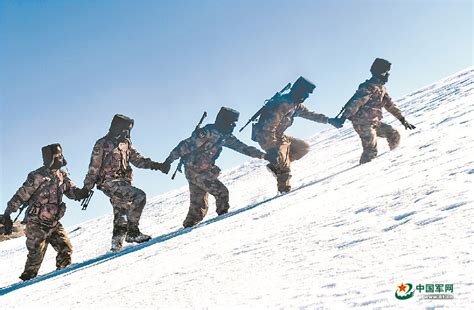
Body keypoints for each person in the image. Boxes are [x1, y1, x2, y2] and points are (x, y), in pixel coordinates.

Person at [160, 107, 266, 228]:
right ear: (223, 120)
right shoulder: (207, 133)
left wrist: (264, 155)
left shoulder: (226, 137)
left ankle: (187, 228)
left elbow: (243, 148)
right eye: (232, 122)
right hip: (194, 170)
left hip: (200, 170)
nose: (233, 125)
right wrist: (168, 161)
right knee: (222, 193)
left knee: (198, 209)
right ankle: (223, 224)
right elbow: (184, 146)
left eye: (235, 123)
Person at [0, 144, 89, 281]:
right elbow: (20, 196)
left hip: (53, 222)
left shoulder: (62, 175)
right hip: (36, 223)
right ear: (49, 158)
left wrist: (81, 193)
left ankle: (60, 279)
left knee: (66, 249)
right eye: (57, 155)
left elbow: (71, 191)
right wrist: (7, 214)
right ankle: (24, 286)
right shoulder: (37, 176)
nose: (60, 157)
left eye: (61, 155)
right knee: (35, 259)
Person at [80, 114, 165, 251]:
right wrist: (86, 188)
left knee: (121, 212)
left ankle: (116, 246)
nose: (127, 133)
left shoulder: (126, 144)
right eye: (125, 129)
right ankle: (132, 233)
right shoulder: (102, 144)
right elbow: (94, 168)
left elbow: (138, 160)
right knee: (139, 196)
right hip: (109, 182)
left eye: (129, 130)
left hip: (124, 183)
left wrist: (157, 165)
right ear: (117, 127)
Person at [251, 76, 340, 193]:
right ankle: (284, 191)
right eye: (305, 93)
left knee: (302, 147)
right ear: (298, 91)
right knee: (283, 162)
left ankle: (275, 165)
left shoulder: (295, 105)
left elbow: (310, 114)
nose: (307, 96)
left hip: (278, 135)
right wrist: (272, 149)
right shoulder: (283, 104)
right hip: (266, 136)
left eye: (308, 94)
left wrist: (329, 120)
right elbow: (268, 128)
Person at [331, 58, 416, 164]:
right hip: (362, 123)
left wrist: (402, 119)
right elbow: (356, 102)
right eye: (385, 72)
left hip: (374, 122)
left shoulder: (381, 89)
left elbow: (390, 106)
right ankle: (364, 173)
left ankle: (394, 161)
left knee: (394, 134)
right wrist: (343, 118)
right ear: (379, 73)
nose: (387, 75)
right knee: (370, 151)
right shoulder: (368, 88)